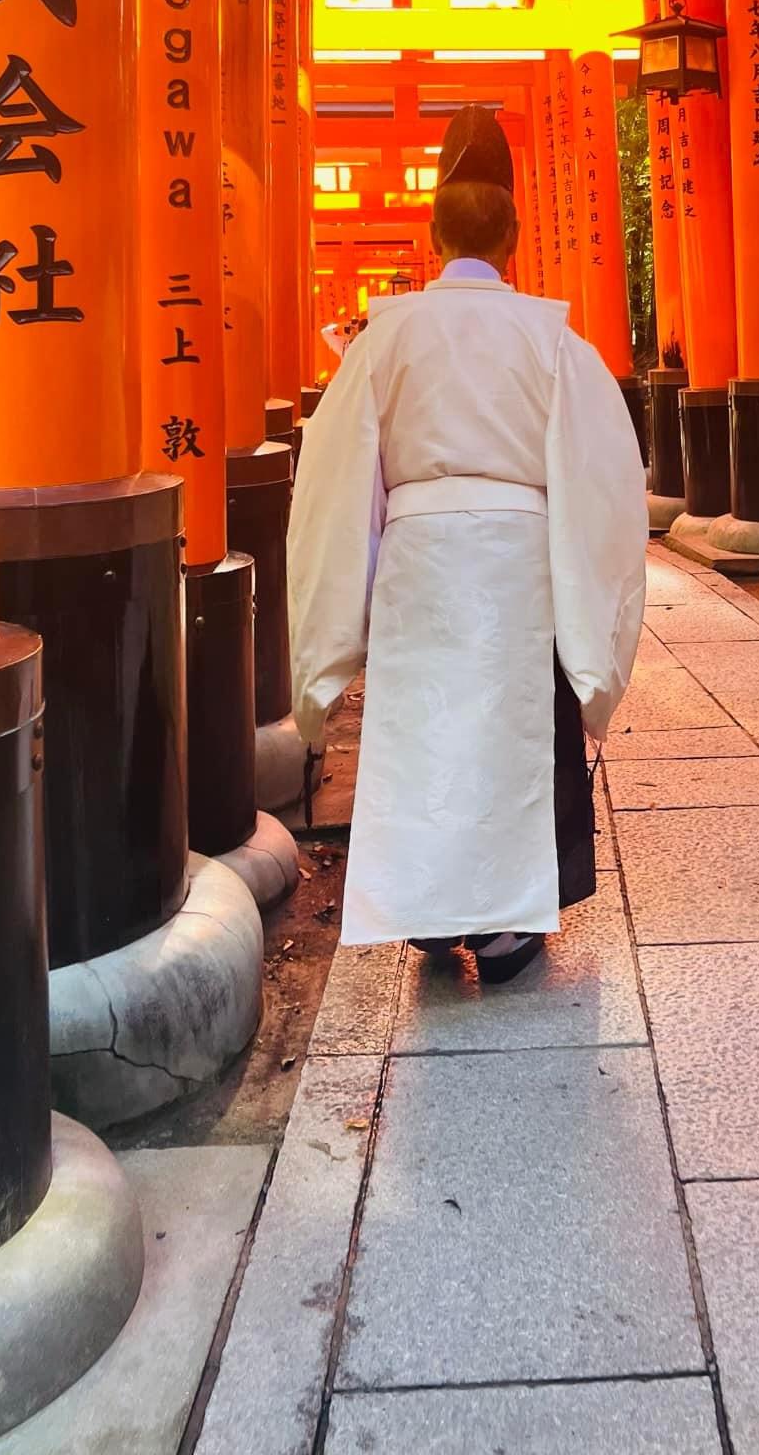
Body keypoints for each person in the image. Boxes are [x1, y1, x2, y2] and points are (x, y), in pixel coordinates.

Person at [287, 107, 647, 982]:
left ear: (433, 233)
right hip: (521, 561)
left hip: (419, 560)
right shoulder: (554, 339)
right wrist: (586, 611)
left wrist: (345, 616)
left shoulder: (383, 339)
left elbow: (340, 480)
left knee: (424, 726)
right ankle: (511, 927)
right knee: (517, 726)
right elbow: (603, 479)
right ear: (515, 238)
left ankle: (431, 911)